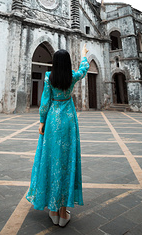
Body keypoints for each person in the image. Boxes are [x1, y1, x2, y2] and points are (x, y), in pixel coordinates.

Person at [26, 43, 89, 228]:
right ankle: (63, 212)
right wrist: (83, 54)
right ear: (68, 63)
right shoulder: (73, 76)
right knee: (66, 161)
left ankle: (53, 210)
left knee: (52, 160)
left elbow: (45, 102)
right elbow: (84, 69)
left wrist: (42, 121)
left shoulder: (48, 78)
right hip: (69, 120)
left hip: (53, 120)